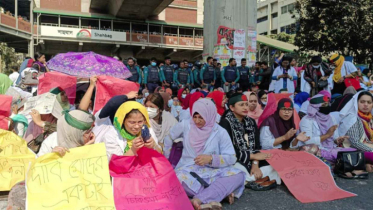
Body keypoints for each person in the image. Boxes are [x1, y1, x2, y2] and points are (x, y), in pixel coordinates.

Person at [169, 99, 245, 209]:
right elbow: (169, 137)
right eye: (195, 117)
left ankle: (198, 200)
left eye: (201, 117)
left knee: (239, 175)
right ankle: (216, 195)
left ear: (209, 115)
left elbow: (232, 158)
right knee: (175, 179)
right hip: (189, 170)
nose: (197, 121)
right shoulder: (186, 125)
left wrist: (211, 159)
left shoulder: (220, 131)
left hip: (213, 171)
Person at [219, 93, 280, 188]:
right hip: (236, 159)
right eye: (241, 105)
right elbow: (228, 151)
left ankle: (253, 179)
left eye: (246, 104)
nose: (245, 107)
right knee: (237, 171)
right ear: (232, 107)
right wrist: (253, 156)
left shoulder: (251, 122)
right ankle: (256, 178)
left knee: (276, 166)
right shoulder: (225, 123)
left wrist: (255, 164)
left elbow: (256, 146)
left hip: (253, 158)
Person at [92, 92, 161, 160]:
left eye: (140, 122)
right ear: (123, 121)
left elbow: (159, 154)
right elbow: (114, 163)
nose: (137, 126)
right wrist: (133, 150)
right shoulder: (111, 135)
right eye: (132, 122)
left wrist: (154, 146)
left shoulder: (147, 130)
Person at [297, 94, 355, 162]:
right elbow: (307, 141)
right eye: (324, 105)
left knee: (354, 152)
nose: (327, 106)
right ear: (316, 107)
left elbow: (334, 137)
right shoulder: (307, 120)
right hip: (316, 151)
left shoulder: (330, 117)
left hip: (331, 148)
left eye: (328, 104)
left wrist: (337, 140)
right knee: (345, 156)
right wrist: (327, 135)